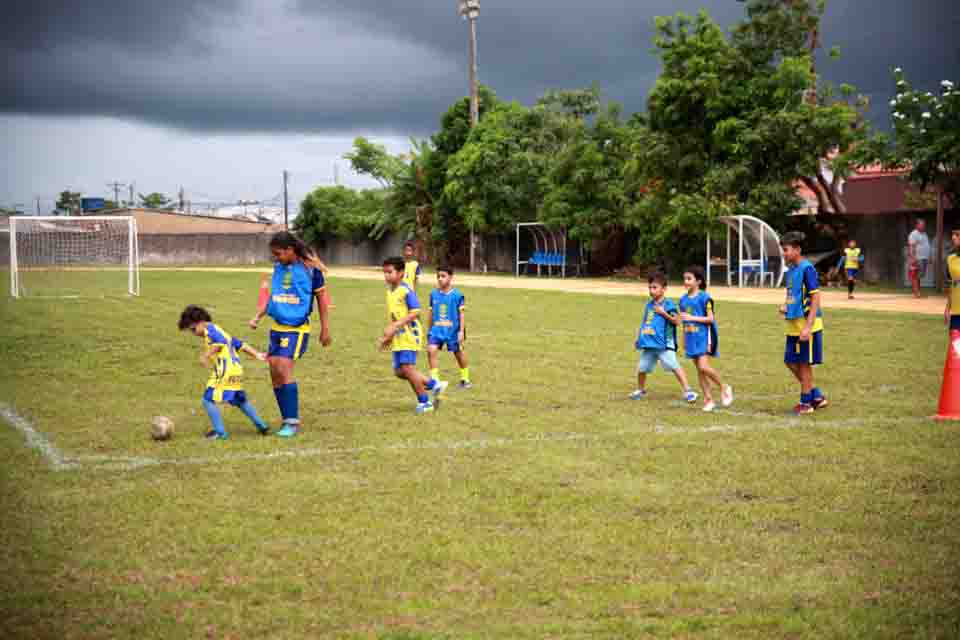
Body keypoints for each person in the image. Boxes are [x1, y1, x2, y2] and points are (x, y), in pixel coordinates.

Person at [249, 231, 331, 438]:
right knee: (274, 370)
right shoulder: (278, 268)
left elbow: (322, 300)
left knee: (283, 368)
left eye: (278, 253)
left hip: (297, 328)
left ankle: (292, 422)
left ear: (290, 250)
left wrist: (325, 329)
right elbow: (274, 296)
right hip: (277, 326)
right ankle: (286, 418)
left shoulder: (311, 270)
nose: (276, 257)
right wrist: (259, 316)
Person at [179, 305, 270, 440]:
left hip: (225, 370)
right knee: (239, 400)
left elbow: (219, 343)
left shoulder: (210, 330)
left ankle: (220, 433)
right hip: (236, 369)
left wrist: (206, 355)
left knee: (208, 400)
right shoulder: (219, 330)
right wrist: (256, 354)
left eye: (193, 329)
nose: (194, 333)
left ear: (202, 321)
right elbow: (239, 344)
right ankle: (261, 425)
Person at [378, 256, 448, 414]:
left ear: (401, 273)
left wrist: (395, 326)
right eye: (385, 272)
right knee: (399, 371)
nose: (386, 276)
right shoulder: (390, 292)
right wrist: (389, 335)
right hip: (399, 335)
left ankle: (425, 402)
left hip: (410, 335)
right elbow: (395, 316)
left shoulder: (406, 290)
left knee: (408, 369)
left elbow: (416, 311)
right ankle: (434, 385)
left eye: (390, 272)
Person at [630, 271, 698, 403]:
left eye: (654, 287)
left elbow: (677, 321)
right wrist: (639, 337)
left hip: (664, 344)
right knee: (642, 368)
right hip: (649, 343)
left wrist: (663, 313)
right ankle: (640, 390)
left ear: (664, 289)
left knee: (673, 365)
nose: (651, 290)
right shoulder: (649, 305)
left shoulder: (669, 305)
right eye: (650, 287)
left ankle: (688, 391)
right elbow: (645, 322)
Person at [779, 231, 827, 415]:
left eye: (786, 250)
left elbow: (815, 297)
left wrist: (808, 326)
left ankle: (806, 403)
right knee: (790, 361)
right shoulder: (790, 271)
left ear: (797, 250)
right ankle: (816, 395)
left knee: (804, 364)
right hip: (793, 325)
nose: (784, 253)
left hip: (807, 325)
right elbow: (795, 296)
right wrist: (786, 306)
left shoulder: (807, 269)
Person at [679, 266, 733, 412]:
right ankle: (708, 399)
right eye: (684, 278)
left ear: (698, 281)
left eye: (689, 279)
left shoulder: (705, 298)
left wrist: (692, 318)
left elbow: (710, 319)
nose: (686, 281)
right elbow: (684, 321)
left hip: (704, 337)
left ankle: (724, 387)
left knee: (703, 366)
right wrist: (683, 338)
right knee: (699, 370)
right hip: (691, 337)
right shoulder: (683, 300)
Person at [426, 265, 472, 390]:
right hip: (437, 330)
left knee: (458, 353)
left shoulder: (457, 295)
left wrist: (461, 331)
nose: (440, 279)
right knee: (431, 350)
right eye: (438, 276)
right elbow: (430, 313)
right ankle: (435, 380)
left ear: (450, 277)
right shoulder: (433, 294)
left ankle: (465, 379)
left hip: (453, 331)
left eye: (443, 276)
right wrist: (429, 330)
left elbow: (462, 314)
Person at [908, 219, 931, 298]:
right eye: (921, 225)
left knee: (920, 276)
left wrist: (929, 257)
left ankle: (918, 292)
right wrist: (913, 258)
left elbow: (927, 245)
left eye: (924, 225)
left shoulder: (924, 234)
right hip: (918, 258)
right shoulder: (913, 234)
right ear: (917, 225)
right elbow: (911, 247)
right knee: (915, 275)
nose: (923, 226)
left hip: (924, 258)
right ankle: (916, 293)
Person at [944, 227, 960, 331]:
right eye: (953, 240)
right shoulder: (950, 259)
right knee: (955, 345)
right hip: (956, 310)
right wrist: (947, 308)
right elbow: (952, 285)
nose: (953, 243)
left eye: (955, 240)